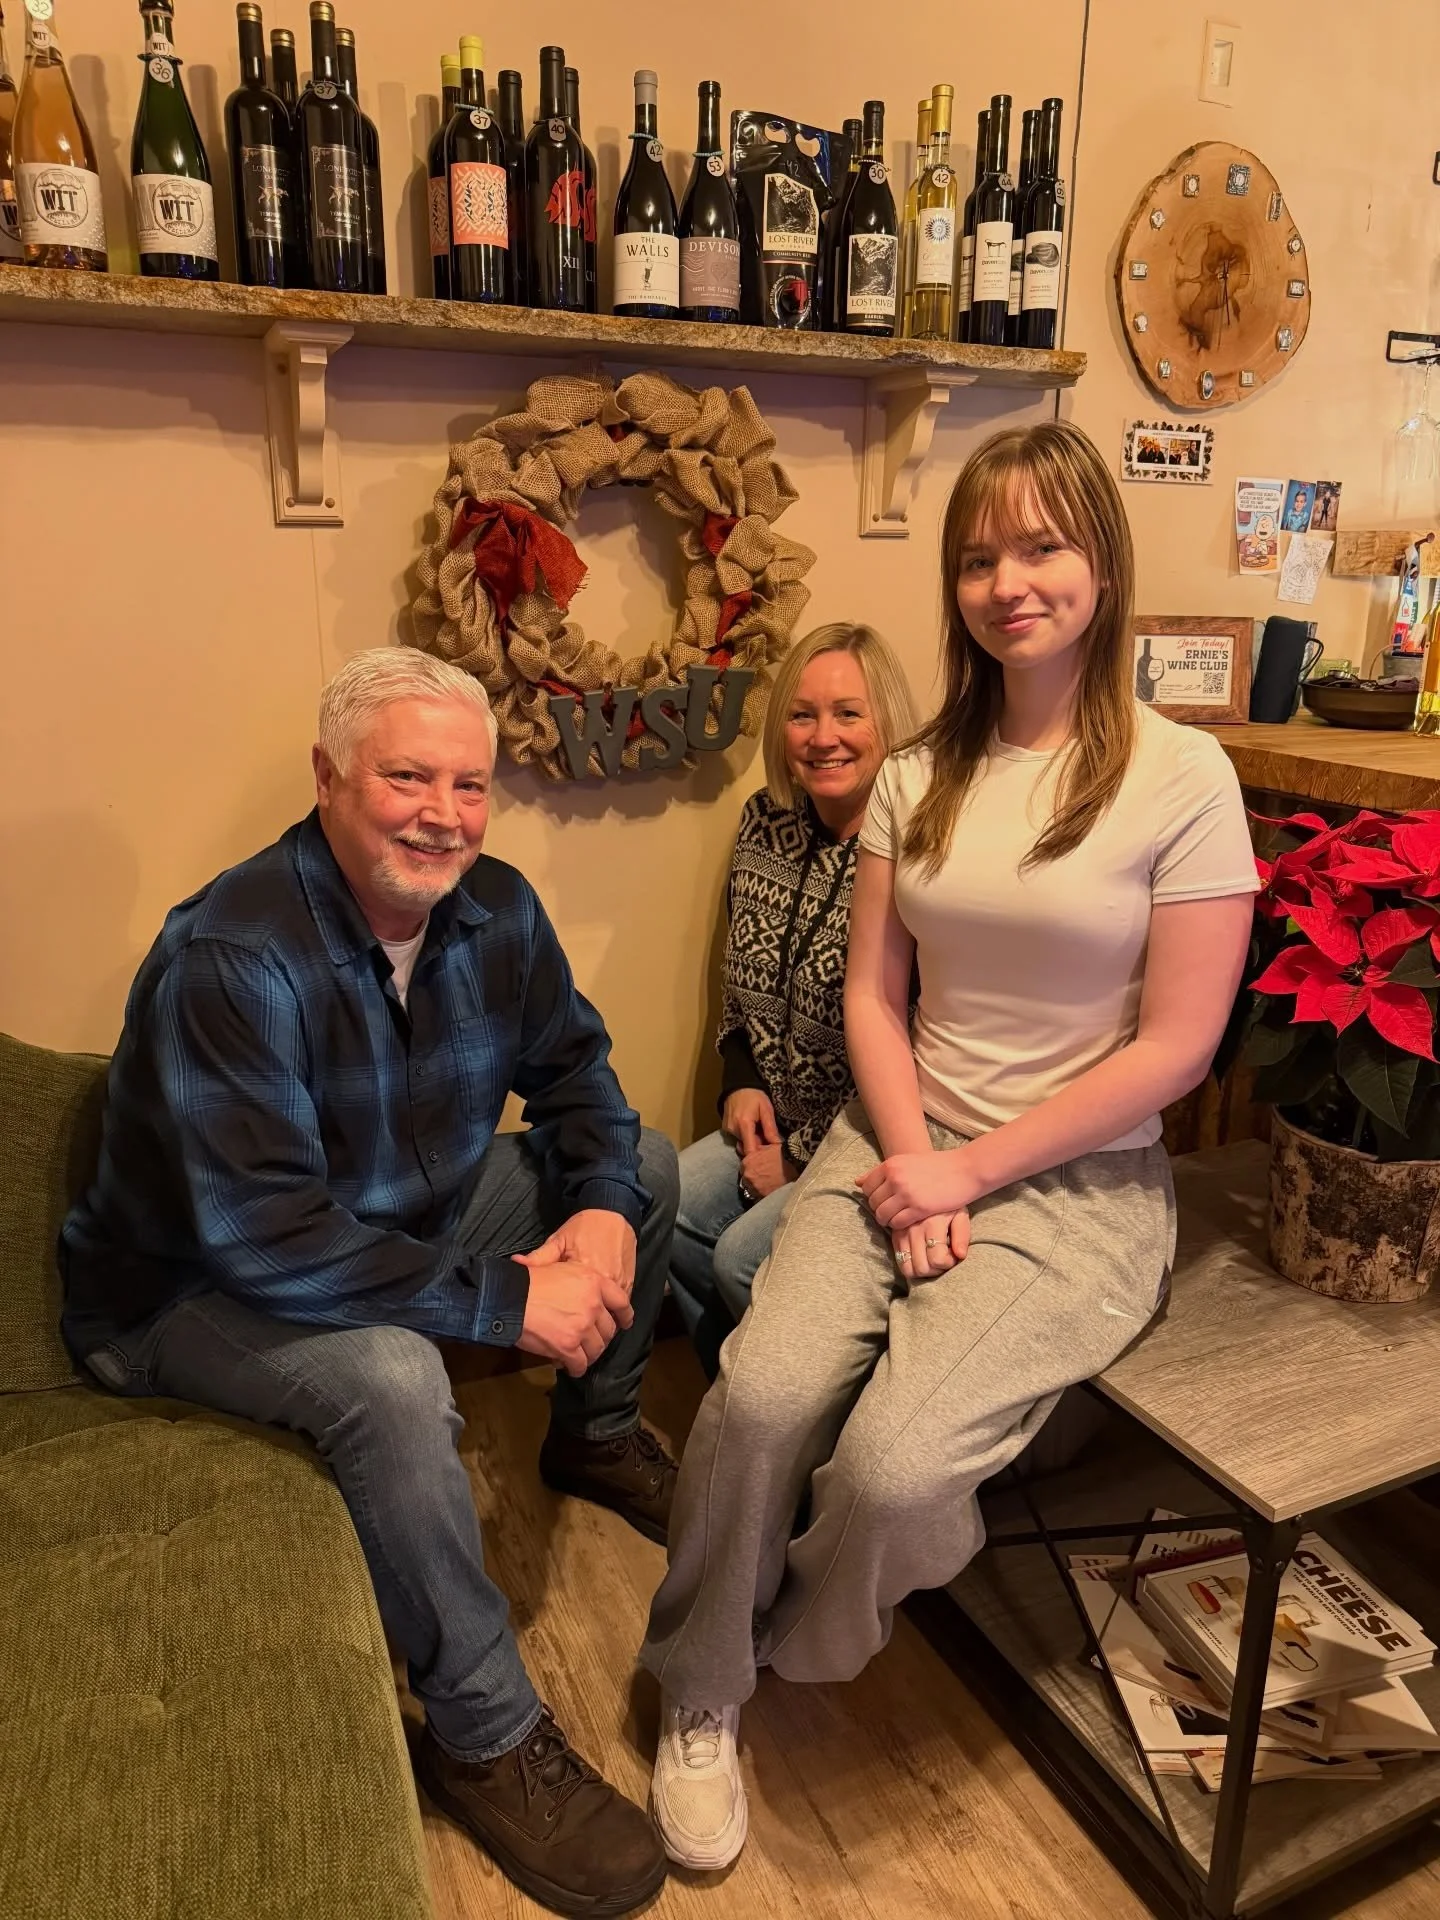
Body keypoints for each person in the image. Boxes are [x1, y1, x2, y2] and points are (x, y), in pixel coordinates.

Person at [640, 420, 1259, 1871]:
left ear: (1102, 559)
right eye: (979, 556)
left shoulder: (1181, 779)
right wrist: (909, 1162)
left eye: (1041, 547)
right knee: (760, 1395)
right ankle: (698, 1688)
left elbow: (1174, 1050)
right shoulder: (919, 776)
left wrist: (968, 1178)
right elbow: (874, 993)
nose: (1008, 583)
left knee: (898, 1480)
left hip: (1077, 1184)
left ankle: (786, 1642)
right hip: (893, 1138)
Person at [60, 649, 676, 1917]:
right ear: (330, 777)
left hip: (403, 1211)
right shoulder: (232, 954)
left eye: (470, 783)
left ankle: (597, 1434)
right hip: (191, 1289)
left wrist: (605, 1213)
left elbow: (577, 1080)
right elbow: (270, 1235)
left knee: (655, 1168)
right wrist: (509, 1304)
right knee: (393, 1380)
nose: (443, 814)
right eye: (407, 776)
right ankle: (484, 1732)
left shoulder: (496, 908)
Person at [668, 623, 918, 1378]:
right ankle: (735, 1400)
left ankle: (803, 1429)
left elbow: (918, 1043)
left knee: (745, 1259)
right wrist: (739, 1077)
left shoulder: (918, 850)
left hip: (870, 1137)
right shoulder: (765, 822)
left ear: (888, 725)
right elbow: (739, 975)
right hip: (775, 1116)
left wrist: (804, 1162)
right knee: (667, 1205)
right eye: (803, 715)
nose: (822, 737)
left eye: (849, 713)